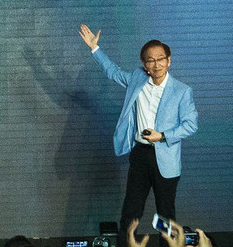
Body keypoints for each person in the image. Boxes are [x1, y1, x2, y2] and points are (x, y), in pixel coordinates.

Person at [79, 24, 198, 232]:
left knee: (166, 216)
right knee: (131, 211)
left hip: (165, 156)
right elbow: (113, 72)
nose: (156, 64)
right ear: (144, 64)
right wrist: (95, 48)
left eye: (161, 59)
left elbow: (190, 125)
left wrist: (162, 136)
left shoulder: (181, 91)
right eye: (151, 60)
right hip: (140, 154)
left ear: (169, 61)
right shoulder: (137, 79)